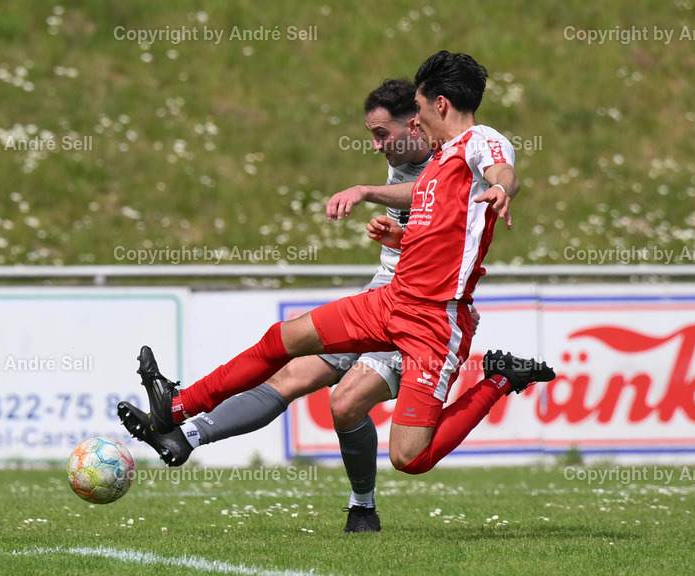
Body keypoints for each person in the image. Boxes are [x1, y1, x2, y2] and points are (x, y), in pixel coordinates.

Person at [135, 51, 554, 480]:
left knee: (409, 457)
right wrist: (396, 234)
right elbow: (429, 209)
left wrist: (502, 189)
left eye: (421, 106)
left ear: (440, 104)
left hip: (433, 322)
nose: (418, 118)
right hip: (392, 300)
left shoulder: (479, 140)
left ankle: (499, 379)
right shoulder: (440, 160)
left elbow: (504, 172)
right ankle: (178, 405)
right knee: (284, 338)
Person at [119, 78, 440, 533]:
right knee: (288, 372)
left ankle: (363, 507)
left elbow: (440, 195)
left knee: (346, 404)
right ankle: (183, 434)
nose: (375, 144)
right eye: (370, 134)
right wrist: (395, 233)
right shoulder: (402, 156)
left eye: (381, 134)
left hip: (419, 312)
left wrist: (366, 192)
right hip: (382, 295)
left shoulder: (449, 156)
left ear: (415, 122)